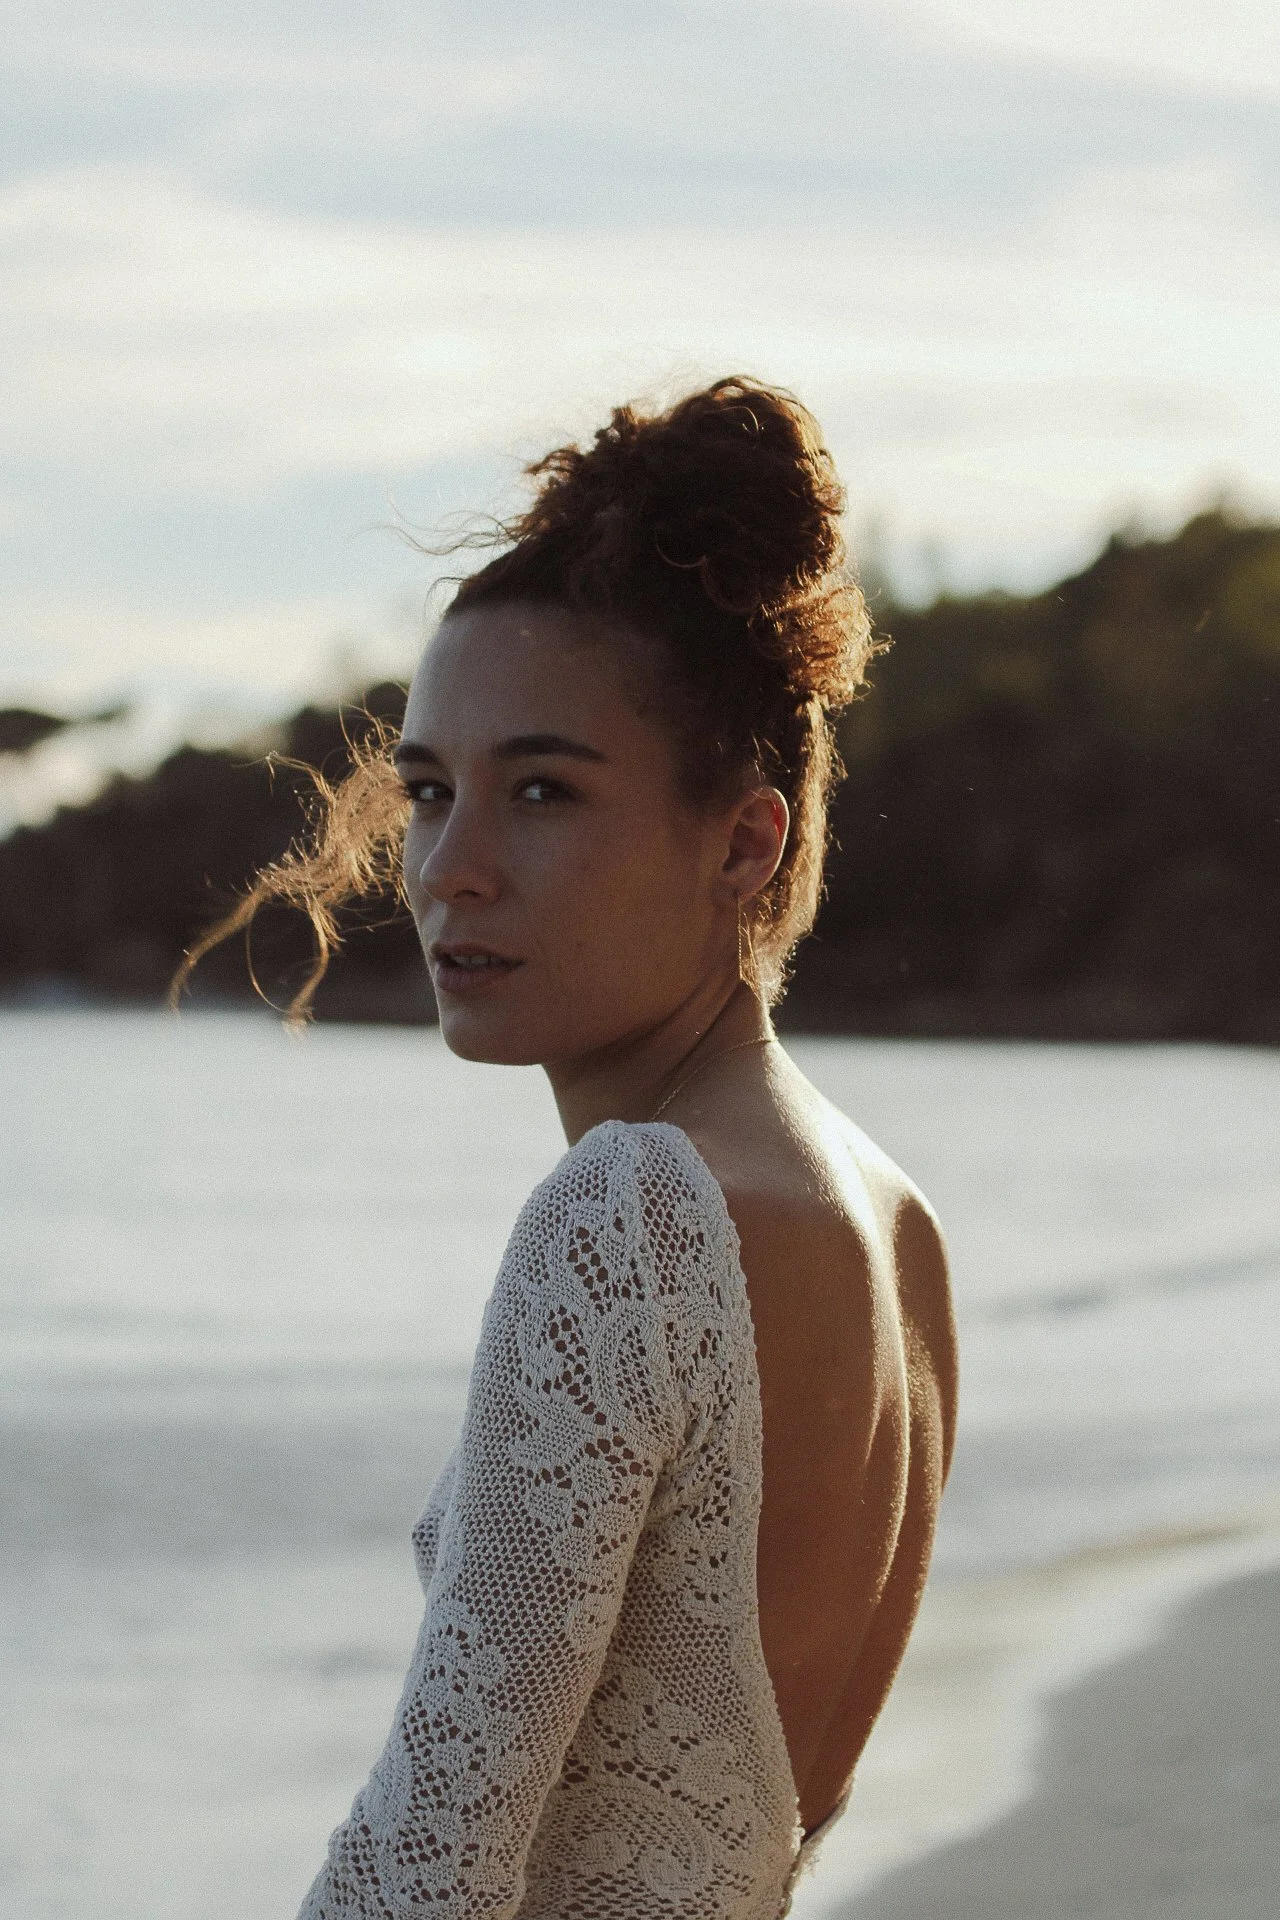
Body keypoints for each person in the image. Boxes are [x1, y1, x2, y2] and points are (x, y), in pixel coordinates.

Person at [180, 376, 957, 1918]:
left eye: (542, 791)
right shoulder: (893, 1219)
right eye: (428, 791)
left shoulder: (633, 1216)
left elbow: (427, 1870)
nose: (451, 870)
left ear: (745, 839)